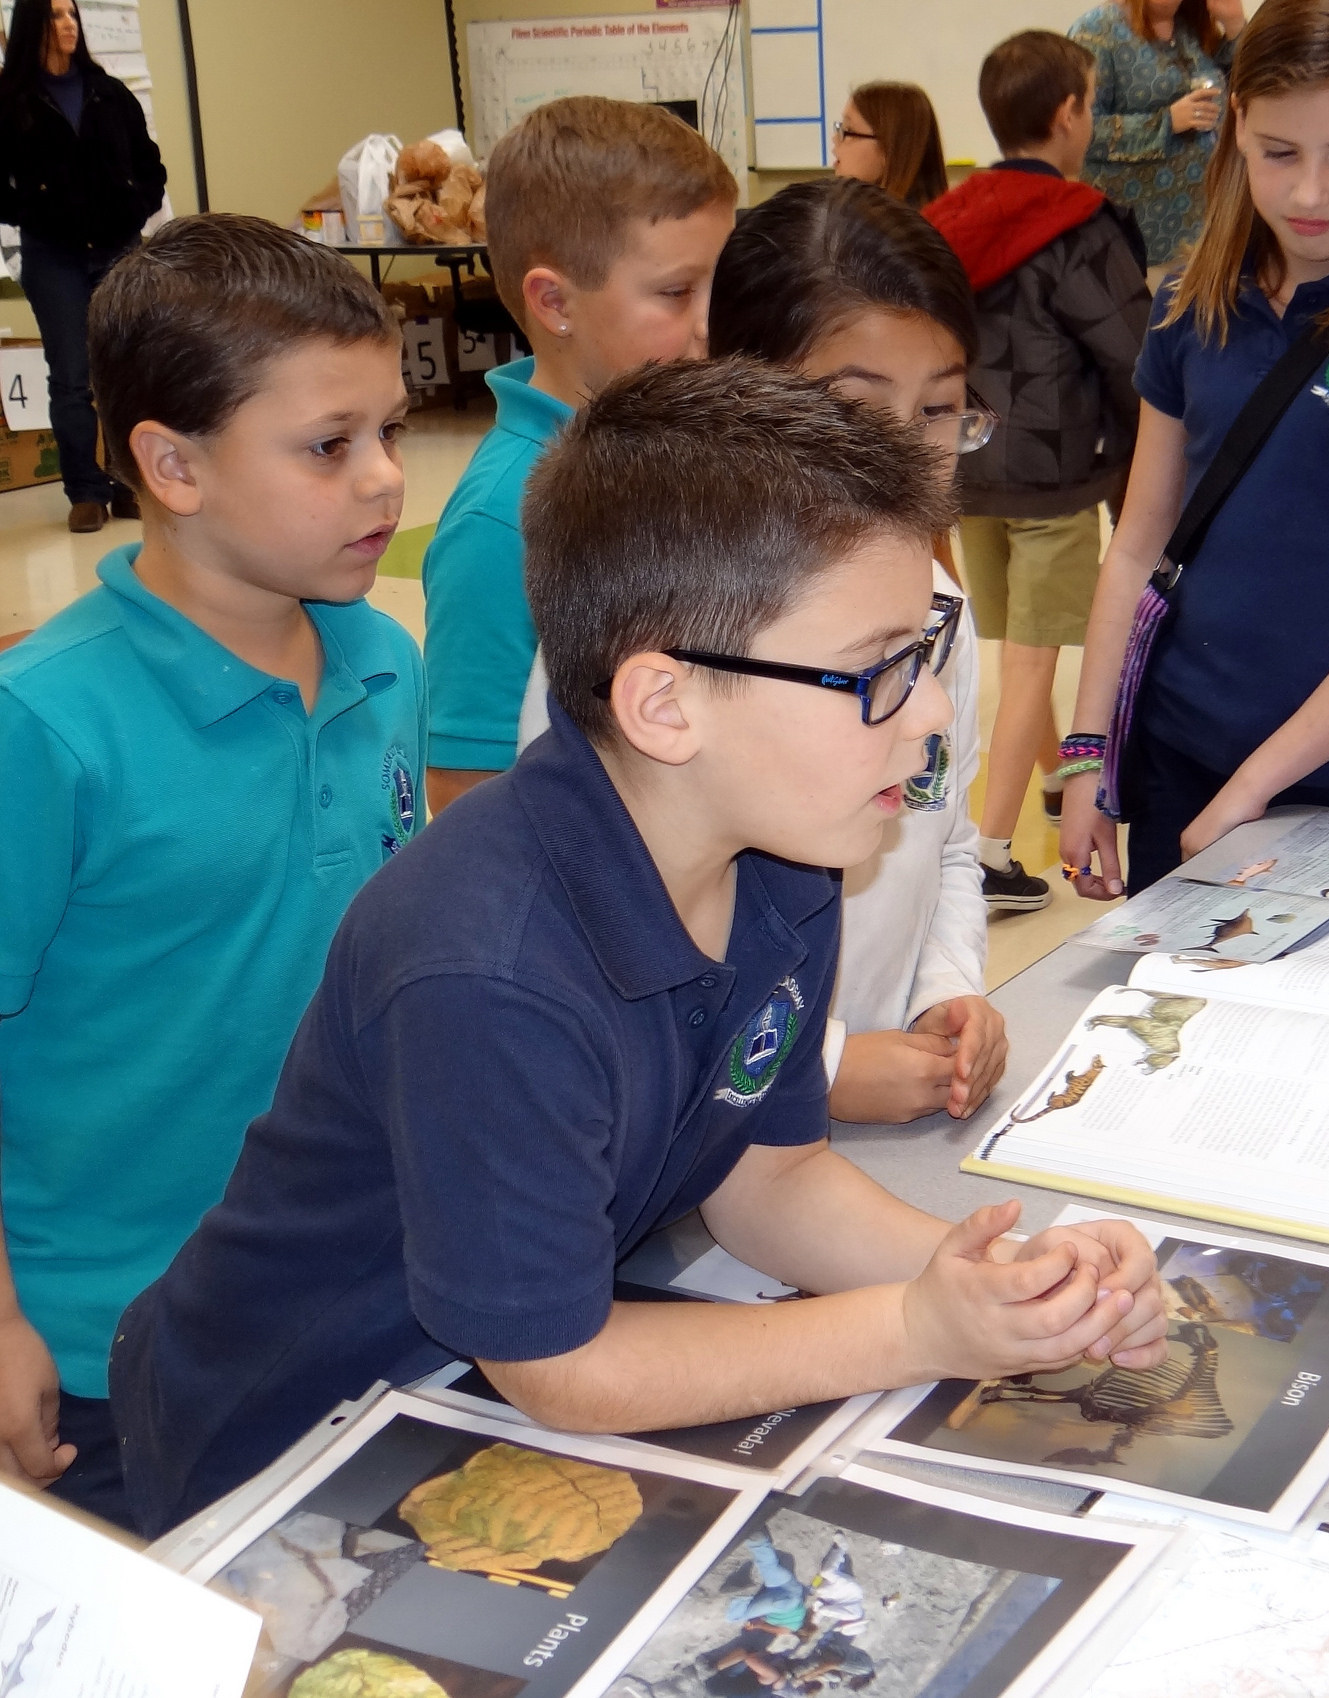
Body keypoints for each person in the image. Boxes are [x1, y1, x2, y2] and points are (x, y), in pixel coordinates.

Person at [110, 358, 1170, 1537]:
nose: (926, 717)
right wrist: (916, 1329)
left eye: (922, 658)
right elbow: (563, 1370)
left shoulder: (782, 856)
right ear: (664, 706)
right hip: (286, 1461)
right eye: (878, 673)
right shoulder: (488, 967)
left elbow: (767, 1181)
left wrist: (1004, 1287)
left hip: (473, 1410)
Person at [0, 214, 419, 1530]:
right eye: (328, 446)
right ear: (172, 464)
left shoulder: (383, 662)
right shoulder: (42, 724)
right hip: (114, 1351)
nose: (384, 481)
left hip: (351, 1293)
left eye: (393, 432)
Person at [521, 178, 1008, 1126]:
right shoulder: (647, 625)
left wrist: (946, 992)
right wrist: (818, 1065)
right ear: (742, 392)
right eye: (854, 404)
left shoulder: (937, 609)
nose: (908, 453)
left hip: (852, 1131)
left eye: (941, 410)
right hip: (687, 1132)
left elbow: (946, 841)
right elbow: (593, 907)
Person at [1058, 0, 1329, 901]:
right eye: (1277, 152)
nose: (1308, 193)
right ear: (1235, 136)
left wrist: (1253, 789)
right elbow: (1139, 546)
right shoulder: (1189, 301)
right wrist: (1088, 756)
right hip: (1181, 754)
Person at [420, 97, 735, 814]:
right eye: (677, 292)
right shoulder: (501, 521)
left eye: (719, 282)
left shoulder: (680, 455)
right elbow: (468, 792)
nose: (711, 324)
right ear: (554, 302)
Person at [925, 30, 1151, 911]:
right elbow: (1134, 358)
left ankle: (1056, 783)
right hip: (1053, 476)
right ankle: (986, 854)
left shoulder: (948, 218)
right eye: (1091, 103)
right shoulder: (1081, 225)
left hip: (965, 467)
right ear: (1068, 114)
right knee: (1032, 664)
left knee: (1017, 640)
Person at [0, 0, 163, 534]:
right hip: (53, 256)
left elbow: (148, 162)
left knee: (125, 372)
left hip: (118, 248)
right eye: (55, 16)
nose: (68, 24)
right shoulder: (11, 102)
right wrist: (29, 211)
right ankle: (85, 491)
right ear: (31, 27)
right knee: (71, 379)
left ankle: (126, 483)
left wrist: (136, 203)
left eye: (72, 14)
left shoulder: (108, 93)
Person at [1070, 0, 1249, 271]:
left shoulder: (1189, 26)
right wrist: (1166, 122)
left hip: (1203, 226)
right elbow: (1081, 131)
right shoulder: (1096, 31)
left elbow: (1240, 87)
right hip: (1138, 238)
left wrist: (1235, 25)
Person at [832, 82, 949, 207]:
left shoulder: (908, 224)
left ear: (891, 148)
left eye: (849, 130)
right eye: (840, 128)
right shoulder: (855, 214)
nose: (835, 138)